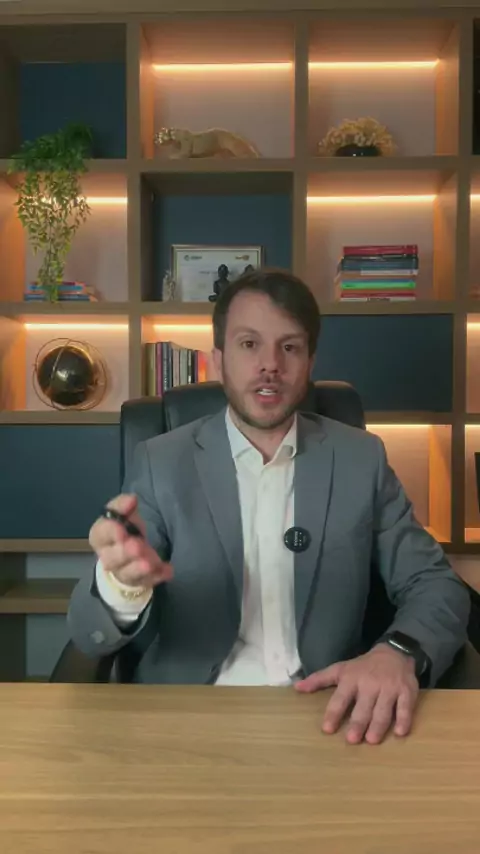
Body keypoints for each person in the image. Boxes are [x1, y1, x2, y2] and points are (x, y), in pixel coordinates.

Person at [67, 268, 470, 745]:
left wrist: (397, 653)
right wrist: (121, 584)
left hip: (330, 714)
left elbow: (434, 584)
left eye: (289, 347)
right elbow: (90, 633)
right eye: (249, 344)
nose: (270, 365)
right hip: (187, 715)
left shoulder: (361, 459)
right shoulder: (161, 462)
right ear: (219, 360)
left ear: (310, 361)